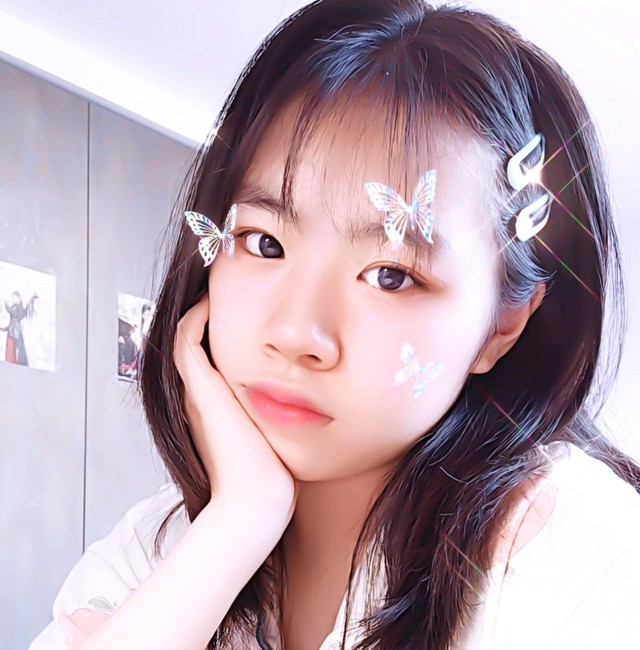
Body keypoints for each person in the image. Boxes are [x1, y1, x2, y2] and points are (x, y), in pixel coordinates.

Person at [30, 1, 640, 648]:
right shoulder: (160, 544)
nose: (296, 334)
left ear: (501, 327)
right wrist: (240, 520)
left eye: (391, 276)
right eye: (264, 243)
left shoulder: (582, 556)